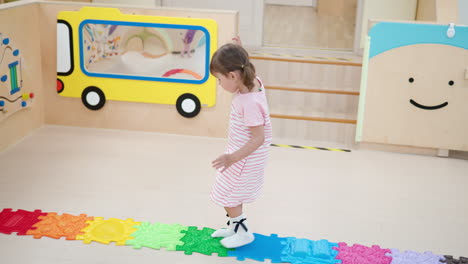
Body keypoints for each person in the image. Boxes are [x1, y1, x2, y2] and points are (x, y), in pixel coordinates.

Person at [209, 36, 272, 248]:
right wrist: (240, 50)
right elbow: (243, 65)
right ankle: (236, 226)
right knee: (233, 192)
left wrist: (232, 158)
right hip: (243, 152)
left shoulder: (249, 102)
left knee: (227, 193)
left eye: (219, 79)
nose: (219, 84)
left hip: (245, 156)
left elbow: (258, 137)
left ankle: (243, 233)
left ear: (233, 75)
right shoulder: (253, 80)